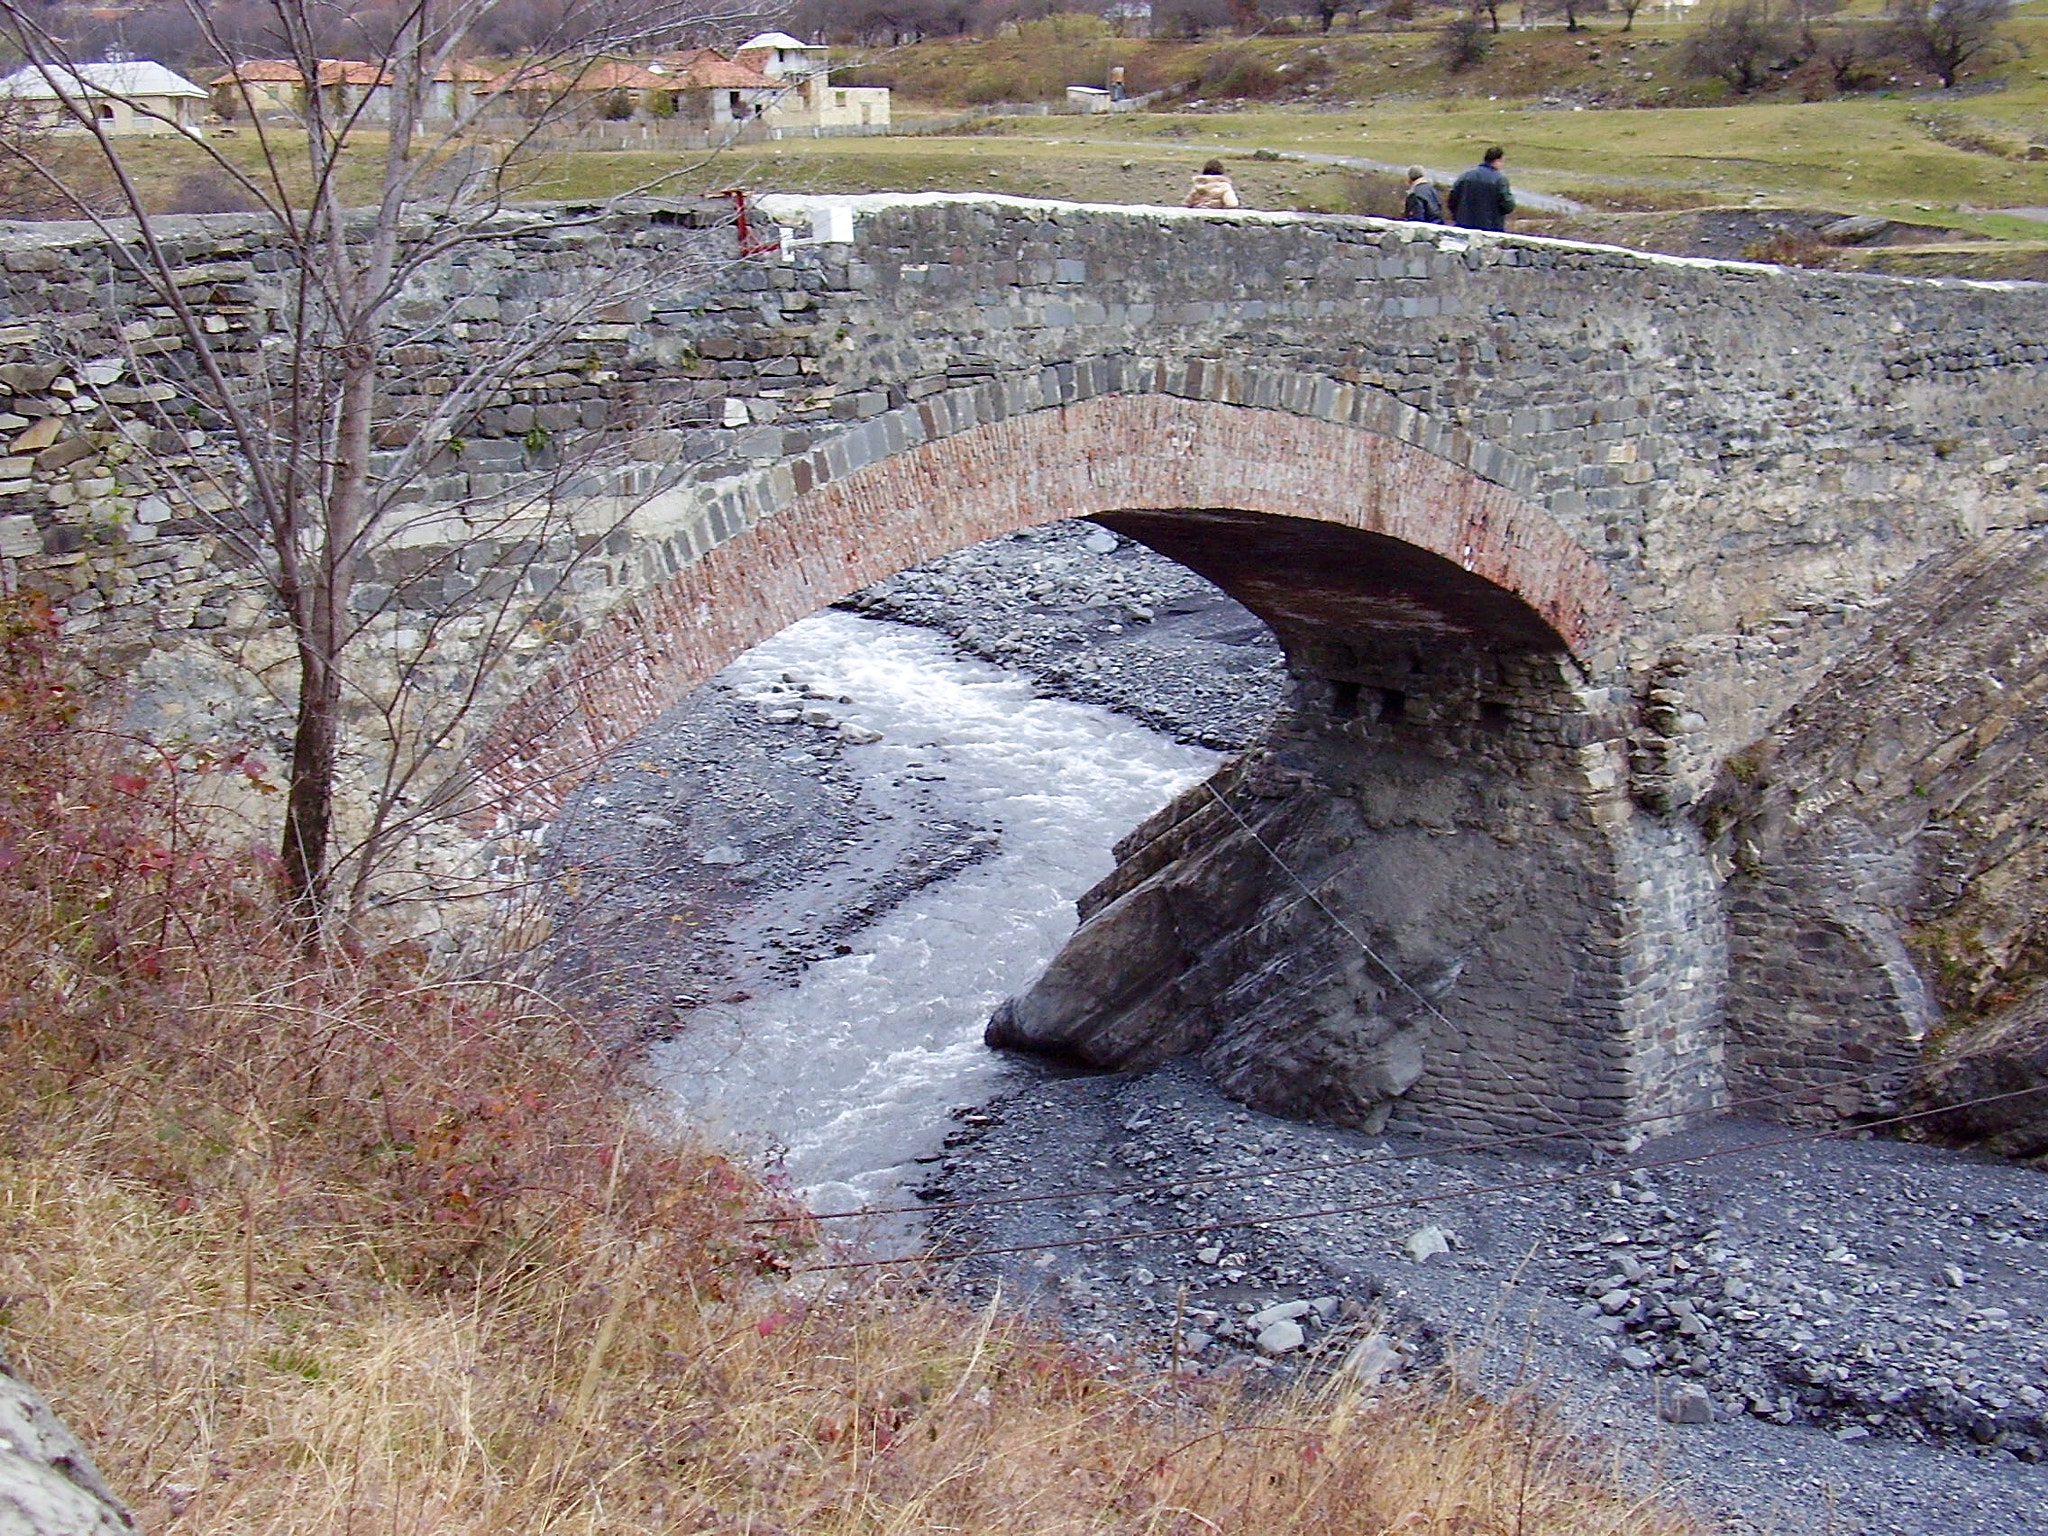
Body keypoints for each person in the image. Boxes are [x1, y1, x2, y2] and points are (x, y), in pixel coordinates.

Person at [1446, 146, 1515, 233]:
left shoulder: (1466, 176)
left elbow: (1452, 199)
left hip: (1463, 226)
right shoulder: (1499, 180)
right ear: (1498, 160)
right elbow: (1508, 205)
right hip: (1490, 228)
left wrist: (1457, 215)